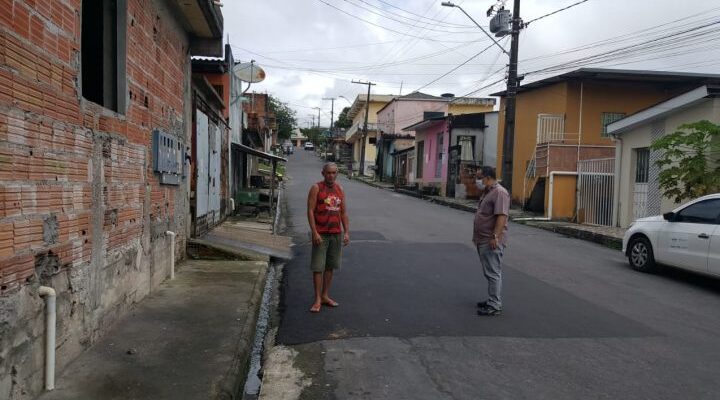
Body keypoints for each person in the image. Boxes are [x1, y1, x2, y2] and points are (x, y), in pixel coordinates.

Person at [307, 162, 350, 313]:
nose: (331, 175)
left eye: (333, 173)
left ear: (337, 173)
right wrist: (314, 232)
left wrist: (346, 232)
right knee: (318, 267)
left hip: (336, 233)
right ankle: (317, 299)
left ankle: (325, 295)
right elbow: (310, 211)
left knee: (330, 266)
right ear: (323, 173)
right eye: (328, 173)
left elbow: (343, 212)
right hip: (321, 234)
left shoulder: (340, 189)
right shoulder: (316, 188)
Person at [473, 166, 510, 316]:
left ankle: (495, 304)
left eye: (479, 178)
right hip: (482, 238)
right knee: (489, 271)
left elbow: (502, 216)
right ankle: (491, 299)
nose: (477, 181)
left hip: (491, 240)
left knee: (493, 272)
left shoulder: (500, 192)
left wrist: (495, 236)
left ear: (487, 177)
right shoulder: (488, 192)